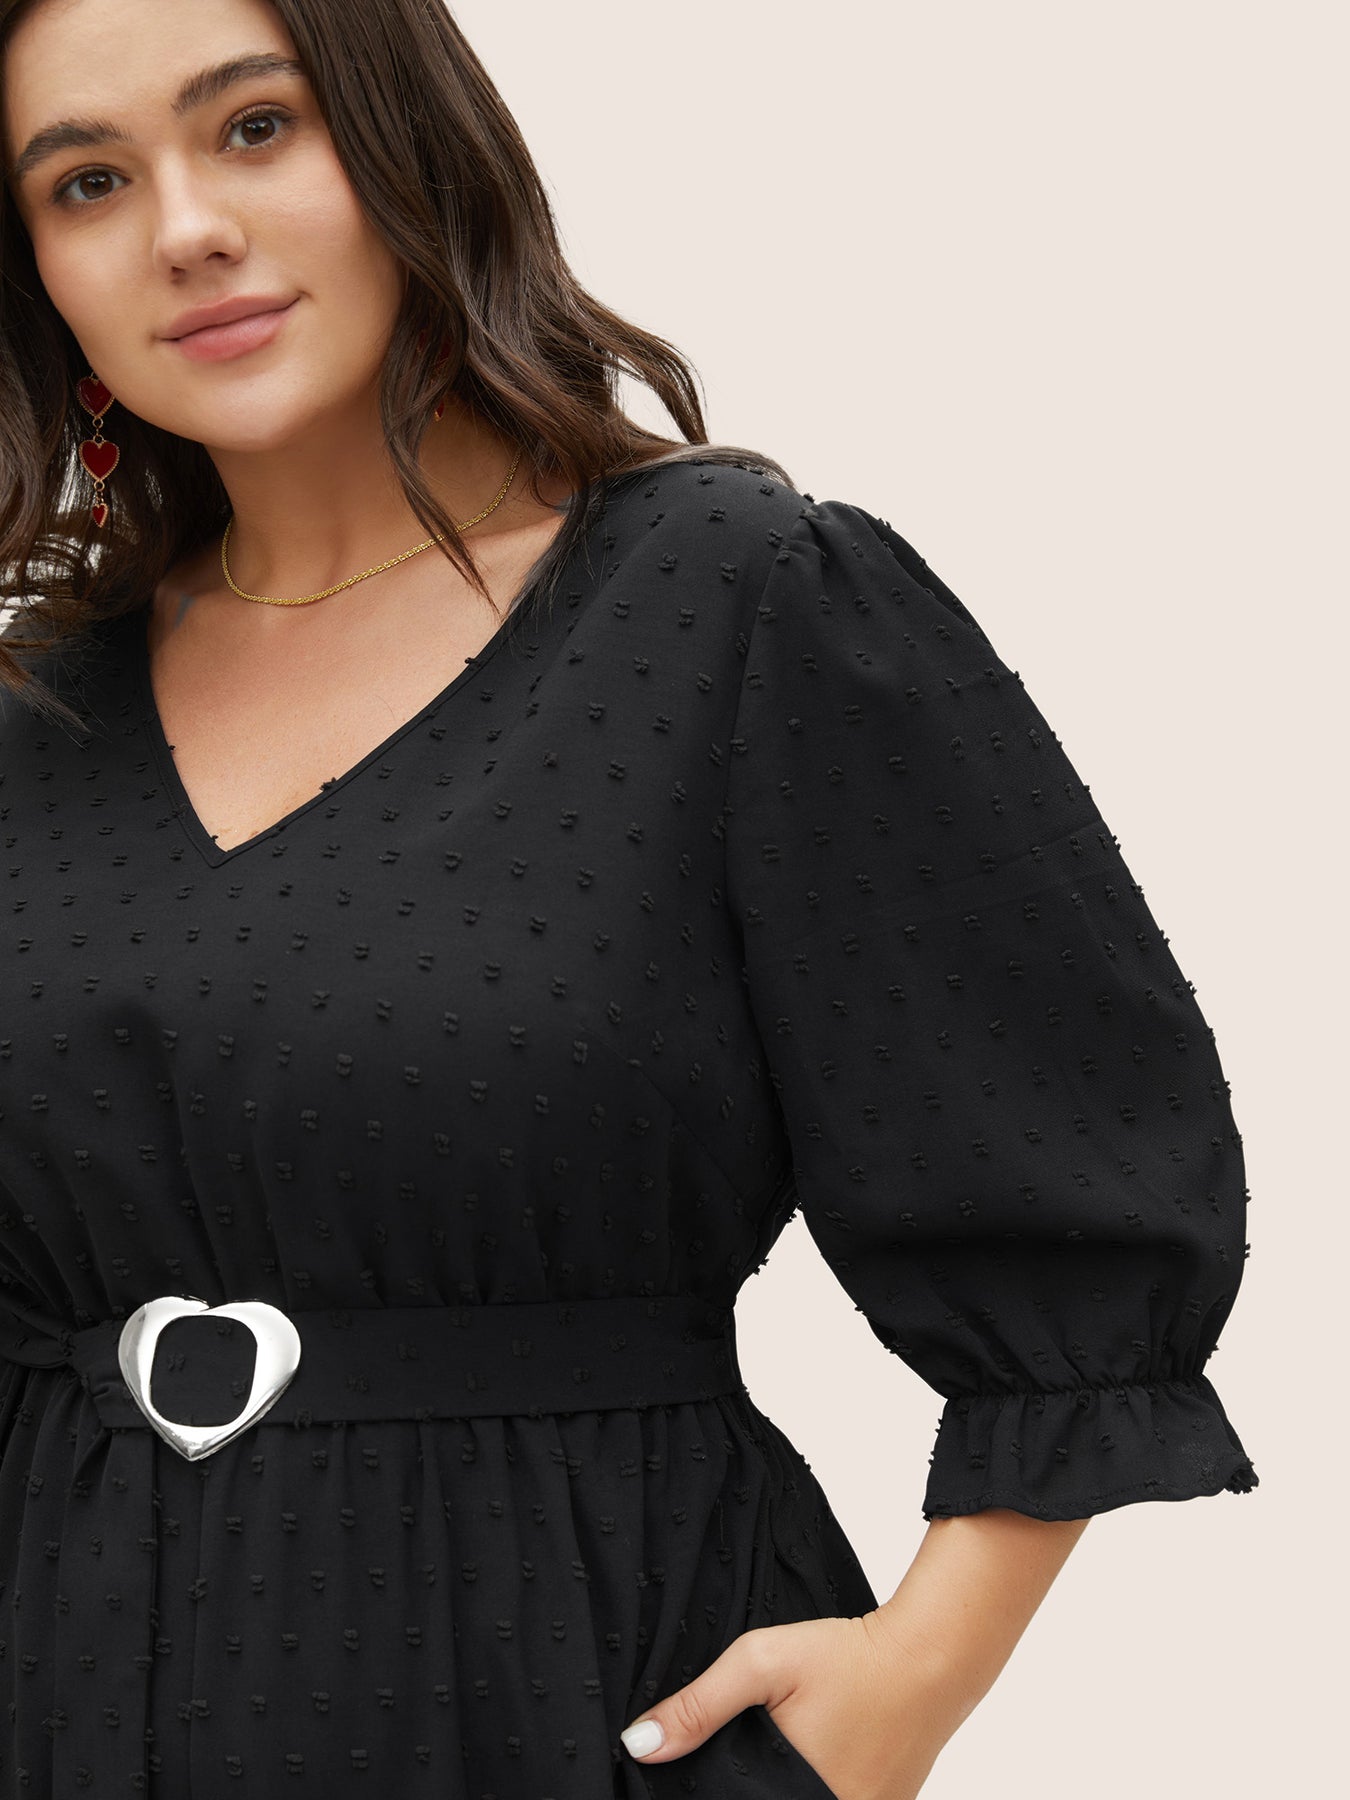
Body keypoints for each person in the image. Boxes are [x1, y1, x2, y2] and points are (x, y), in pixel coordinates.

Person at [0, 1, 1259, 1795]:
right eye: (87, 180)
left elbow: (1059, 1154)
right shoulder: (34, 719)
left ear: (410, 140)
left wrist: (916, 1675)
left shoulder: (737, 603)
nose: (184, 227)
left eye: (257, 127)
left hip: (576, 1681)